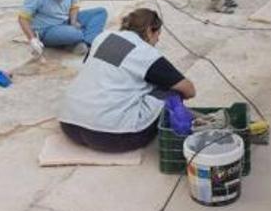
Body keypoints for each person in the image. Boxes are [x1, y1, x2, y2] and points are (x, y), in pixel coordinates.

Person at [58, 8, 196, 152]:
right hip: (112, 136)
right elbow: (189, 90)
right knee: (172, 93)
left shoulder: (102, 37)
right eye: (157, 35)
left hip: (69, 125)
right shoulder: (146, 53)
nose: (158, 40)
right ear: (150, 30)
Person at [19, 0, 107, 56]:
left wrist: (73, 22)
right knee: (75, 34)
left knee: (100, 12)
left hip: (66, 20)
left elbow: (74, 5)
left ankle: (85, 42)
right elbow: (23, 18)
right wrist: (32, 39)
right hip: (48, 30)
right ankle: (85, 38)